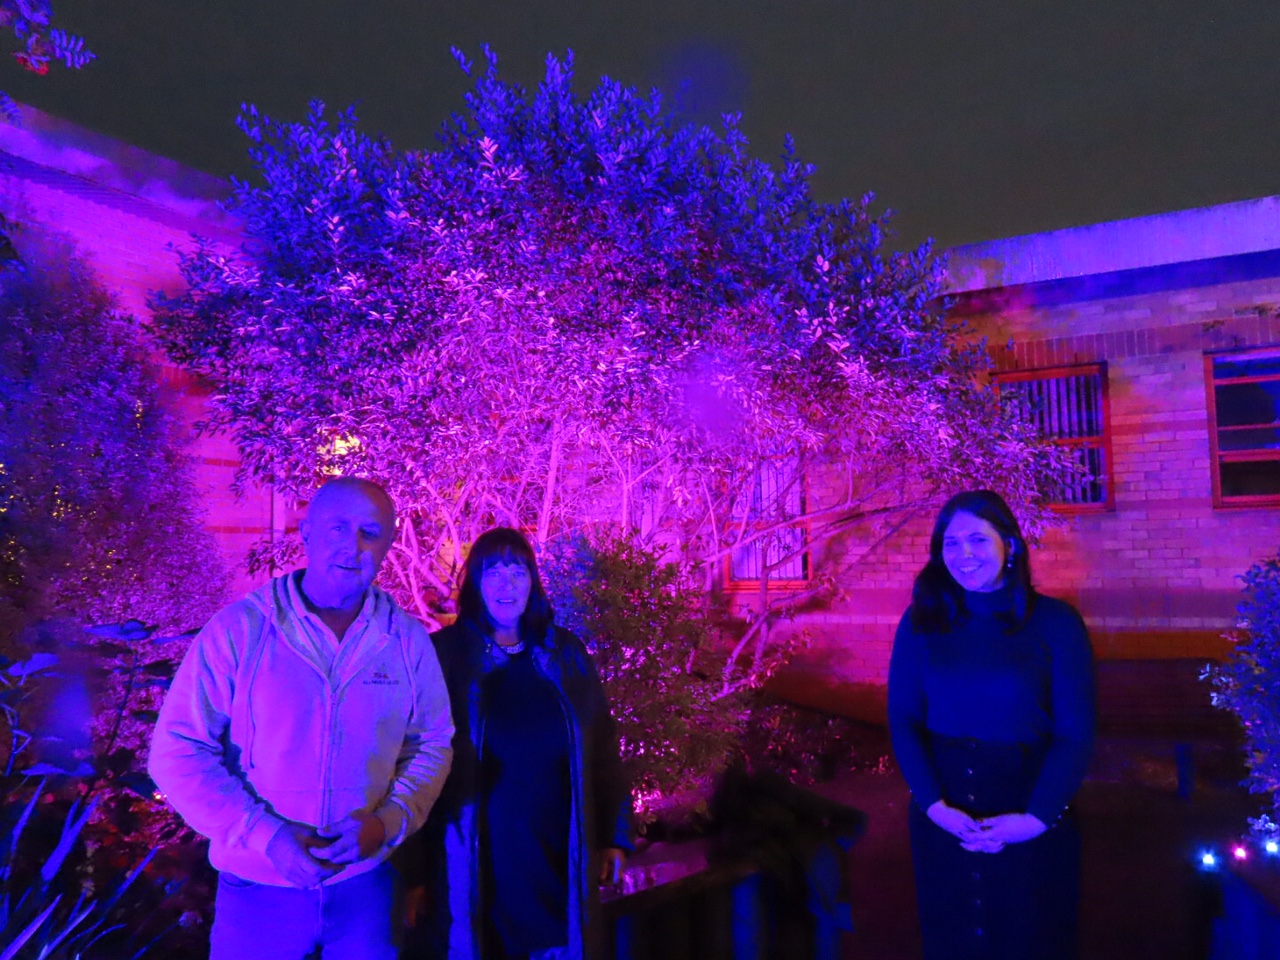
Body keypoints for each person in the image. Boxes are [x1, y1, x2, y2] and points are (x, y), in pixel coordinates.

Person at [150, 477, 454, 960]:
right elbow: (177, 752)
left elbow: (431, 744)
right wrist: (266, 836)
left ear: (389, 544)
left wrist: (389, 821)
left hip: (368, 893)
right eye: (337, 528)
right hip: (257, 893)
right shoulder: (240, 630)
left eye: (369, 533)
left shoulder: (406, 640)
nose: (352, 547)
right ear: (306, 532)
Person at [398, 527, 632, 960]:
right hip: (472, 862)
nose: (507, 584)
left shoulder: (565, 653)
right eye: (494, 572)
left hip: (556, 857)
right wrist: (413, 873)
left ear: (533, 582)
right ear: (475, 583)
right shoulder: (444, 656)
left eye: (518, 571)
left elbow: (602, 747)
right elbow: (410, 765)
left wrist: (614, 835)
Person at [887, 489, 1095, 960]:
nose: (964, 555)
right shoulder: (922, 622)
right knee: (952, 936)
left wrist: (1037, 818)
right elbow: (903, 719)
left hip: (1030, 801)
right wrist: (934, 807)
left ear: (1011, 544)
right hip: (944, 808)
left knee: (1032, 935)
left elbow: (1075, 734)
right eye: (951, 543)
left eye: (978, 540)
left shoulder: (1055, 623)